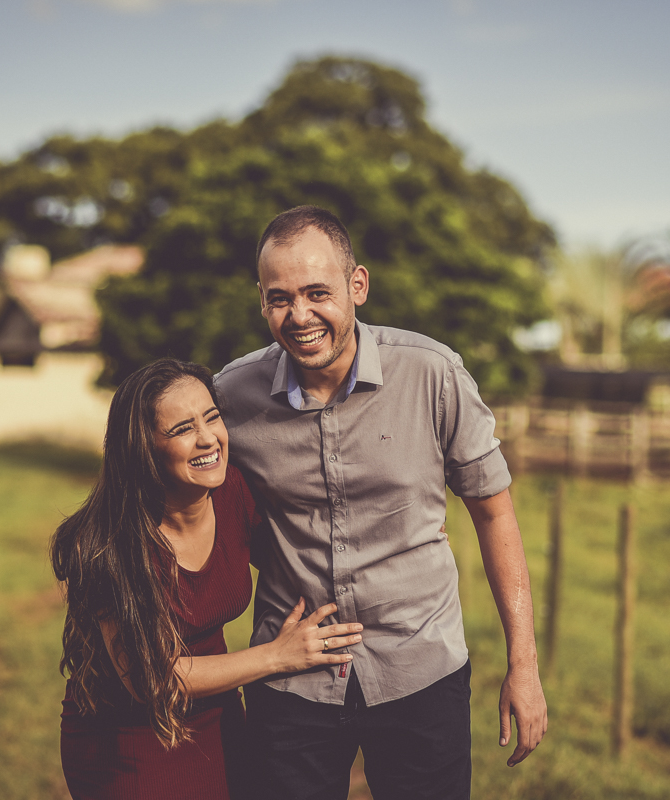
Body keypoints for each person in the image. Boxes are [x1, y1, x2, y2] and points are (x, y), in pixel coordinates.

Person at [215, 206, 548, 800]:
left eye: (318, 292)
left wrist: (523, 664)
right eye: (279, 298)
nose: (300, 316)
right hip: (290, 678)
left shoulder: (433, 374)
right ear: (260, 300)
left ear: (357, 286)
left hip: (421, 668)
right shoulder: (231, 397)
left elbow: (495, 513)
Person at [50, 358, 364, 800]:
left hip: (216, 716)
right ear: (144, 447)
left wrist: (388, 537)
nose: (207, 438)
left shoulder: (233, 491)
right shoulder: (107, 544)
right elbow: (152, 681)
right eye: (182, 429)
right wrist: (277, 656)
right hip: (128, 738)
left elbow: (299, 550)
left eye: (212, 417)